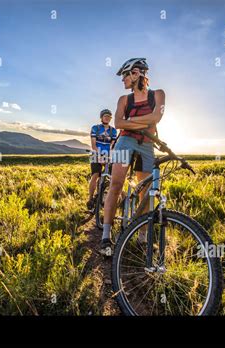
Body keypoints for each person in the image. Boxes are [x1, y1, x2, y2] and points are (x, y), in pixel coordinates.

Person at [100, 58, 165, 255]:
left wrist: (131, 121)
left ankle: (142, 237)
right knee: (116, 185)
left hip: (146, 144)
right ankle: (105, 236)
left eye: (125, 75)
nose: (123, 81)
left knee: (146, 191)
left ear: (136, 74)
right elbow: (119, 123)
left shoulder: (158, 95)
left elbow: (156, 118)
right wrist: (141, 123)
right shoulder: (123, 100)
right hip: (124, 142)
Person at [87, 109, 117, 210]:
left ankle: (103, 194)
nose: (107, 118)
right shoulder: (95, 128)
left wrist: (111, 156)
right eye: (105, 116)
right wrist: (99, 156)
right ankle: (90, 199)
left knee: (110, 177)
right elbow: (93, 144)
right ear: (101, 118)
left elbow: (113, 145)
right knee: (95, 175)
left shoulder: (113, 130)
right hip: (96, 153)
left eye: (109, 116)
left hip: (108, 155)